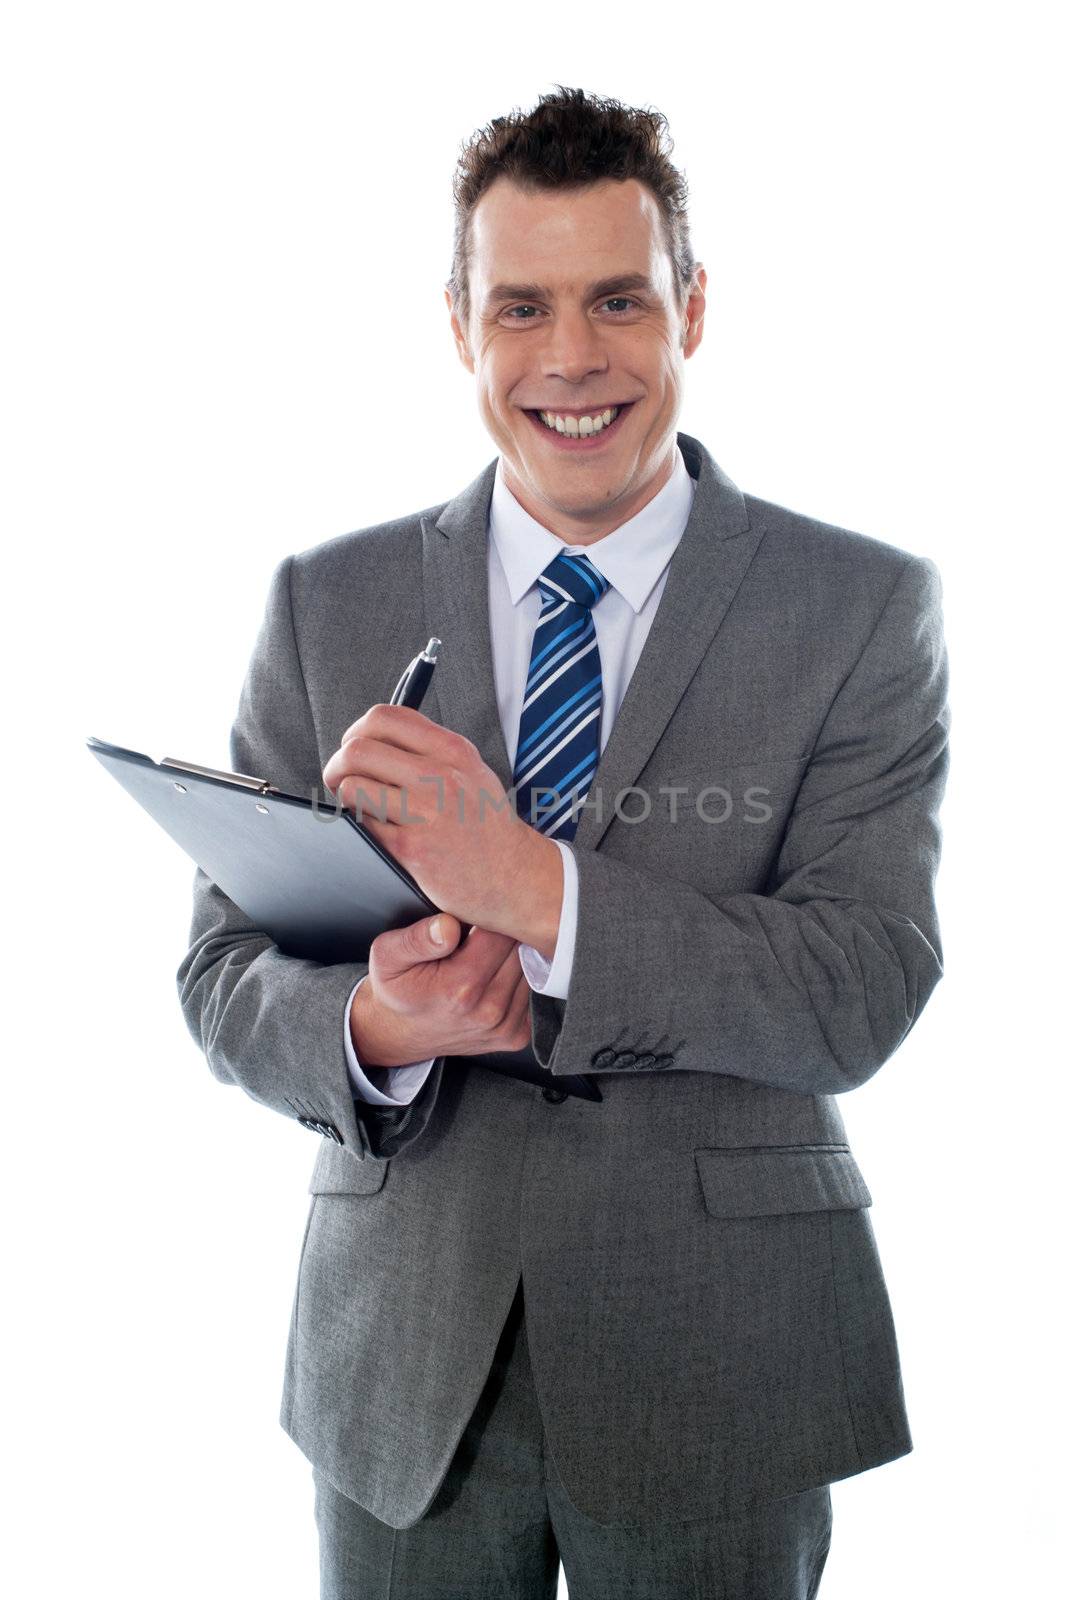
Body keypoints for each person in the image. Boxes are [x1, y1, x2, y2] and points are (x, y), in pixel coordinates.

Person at [178, 84, 950, 1599]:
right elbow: (220, 969)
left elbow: (863, 984)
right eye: (520, 307)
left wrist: (534, 887)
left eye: (619, 300)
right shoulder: (322, 601)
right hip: (405, 1370)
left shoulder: (861, 607)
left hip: (723, 1360)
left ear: (694, 308)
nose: (572, 359)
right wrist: (375, 1024)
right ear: (460, 325)